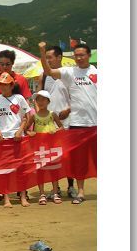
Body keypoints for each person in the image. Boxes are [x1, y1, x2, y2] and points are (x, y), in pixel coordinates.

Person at [38, 41, 97, 205]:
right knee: (79, 160)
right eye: (76, 55)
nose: (79, 58)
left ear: (88, 55)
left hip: (97, 122)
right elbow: (48, 71)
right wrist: (42, 52)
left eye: (82, 55)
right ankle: (80, 192)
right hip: (78, 123)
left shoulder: (96, 72)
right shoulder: (70, 72)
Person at [37, 45, 75, 199]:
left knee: (68, 156)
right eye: (46, 58)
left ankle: (71, 186)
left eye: (50, 57)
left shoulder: (68, 74)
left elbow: (77, 97)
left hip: (66, 121)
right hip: (49, 123)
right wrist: (40, 116)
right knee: (52, 156)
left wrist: (69, 110)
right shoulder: (44, 76)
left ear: (59, 57)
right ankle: (55, 188)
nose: (48, 60)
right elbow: (38, 97)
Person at [0, 72, 33, 208]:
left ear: (11, 85)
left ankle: (23, 197)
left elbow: (25, 117)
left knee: (21, 169)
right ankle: (6, 198)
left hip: (18, 138)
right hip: (3, 139)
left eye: (5, 84)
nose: (2, 87)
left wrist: (21, 131)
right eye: (0, 84)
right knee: (5, 170)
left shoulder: (19, 98)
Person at [26, 90, 65, 205]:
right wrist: (30, 133)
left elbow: (62, 127)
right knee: (40, 171)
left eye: (43, 99)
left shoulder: (52, 114)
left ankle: (55, 192)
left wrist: (56, 130)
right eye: (38, 99)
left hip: (52, 147)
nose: (40, 102)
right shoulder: (34, 116)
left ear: (48, 101)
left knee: (53, 170)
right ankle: (42, 194)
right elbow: (26, 129)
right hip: (39, 148)